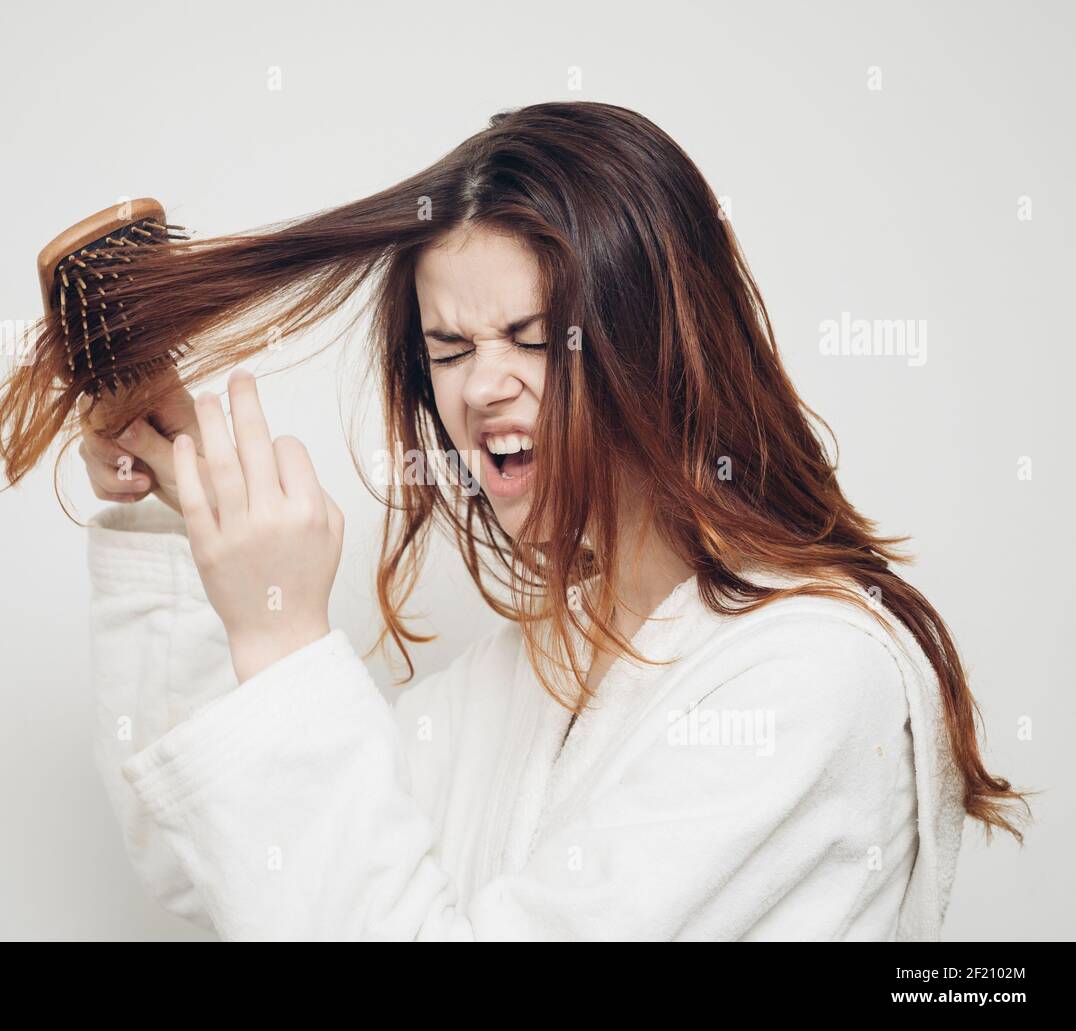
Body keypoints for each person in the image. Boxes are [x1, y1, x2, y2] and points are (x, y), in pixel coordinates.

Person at [53, 102, 1028, 940]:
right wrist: (189, 523)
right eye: (449, 347)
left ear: (663, 345)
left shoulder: (810, 676)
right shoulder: (513, 682)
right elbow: (214, 862)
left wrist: (284, 636)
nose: (481, 385)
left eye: (534, 337)